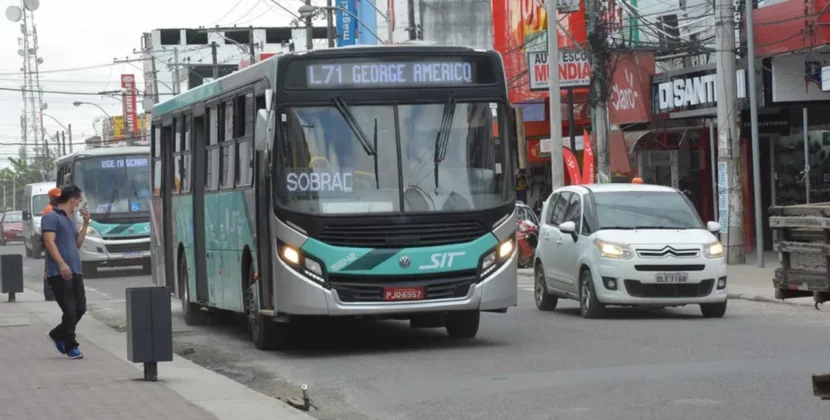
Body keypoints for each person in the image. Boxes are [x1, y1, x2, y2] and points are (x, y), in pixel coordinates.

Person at [43, 186, 90, 360]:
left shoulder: (70, 220)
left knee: (80, 308)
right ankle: (72, 347)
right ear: (72, 199)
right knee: (69, 311)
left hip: (75, 270)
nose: (79, 204)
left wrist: (85, 224)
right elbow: (49, 242)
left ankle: (57, 333)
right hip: (59, 272)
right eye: (78, 200)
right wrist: (61, 264)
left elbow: (76, 244)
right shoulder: (51, 217)